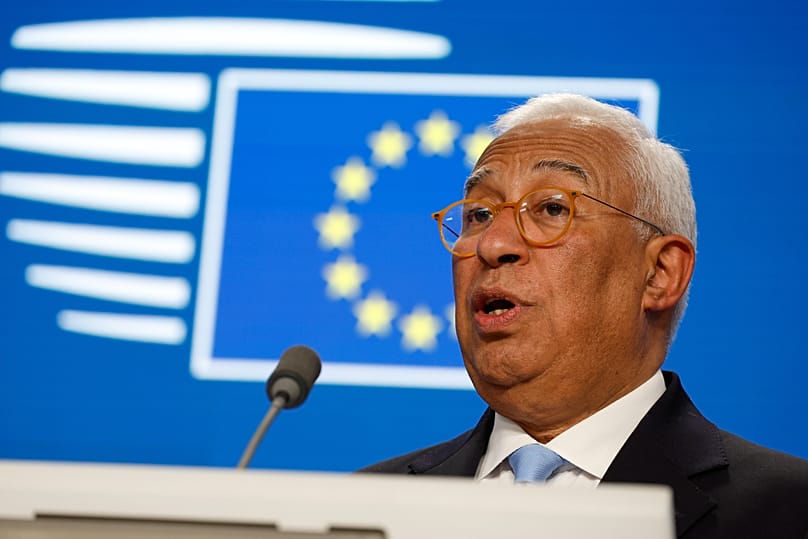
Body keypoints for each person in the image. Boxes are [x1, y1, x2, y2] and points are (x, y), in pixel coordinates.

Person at [361, 94, 808, 537]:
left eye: (552, 208)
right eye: (479, 215)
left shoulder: (789, 511)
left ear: (660, 273)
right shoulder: (365, 505)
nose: (493, 244)